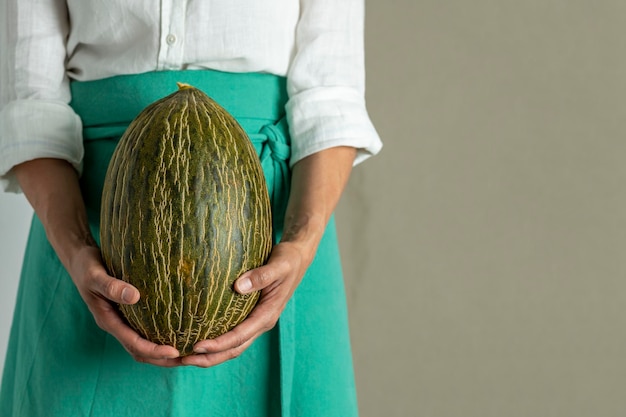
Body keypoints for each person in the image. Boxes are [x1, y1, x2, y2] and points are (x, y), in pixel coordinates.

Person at [0, 1, 382, 416]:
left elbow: (331, 92)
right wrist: (75, 247)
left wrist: (301, 240)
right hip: (91, 227)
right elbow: (30, 98)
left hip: (270, 233)